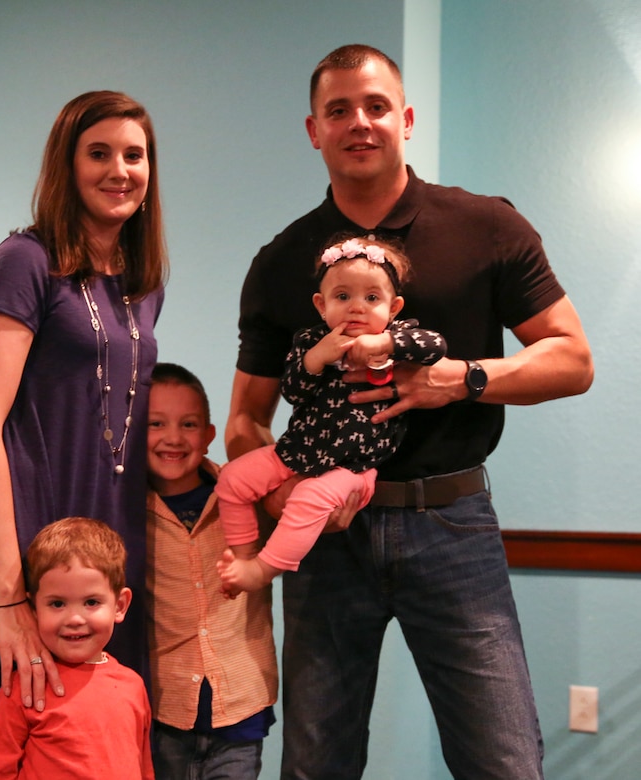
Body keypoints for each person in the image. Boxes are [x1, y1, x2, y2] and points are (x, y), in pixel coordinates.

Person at [226, 44, 593, 780]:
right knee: (314, 765)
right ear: (313, 130)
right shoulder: (280, 259)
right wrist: (279, 493)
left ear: (407, 119)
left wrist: (463, 378)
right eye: (338, 110)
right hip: (325, 542)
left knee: (505, 762)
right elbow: (243, 421)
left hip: (451, 525)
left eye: (375, 106)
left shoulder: (489, 226)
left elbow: (573, 359)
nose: (358, 123)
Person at [0, 90, 168, 780]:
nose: (119, 170)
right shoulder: (25, 260)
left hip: (97, 545)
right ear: (65, 166)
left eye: (134, 155)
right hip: (16, 539)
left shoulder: (141, 283)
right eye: (98, 153)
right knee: (2, 742)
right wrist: (9, 595)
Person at [216, 235, 446, 595]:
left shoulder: (398, 336)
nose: (357, 307)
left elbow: (435, 346)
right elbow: (292, 390)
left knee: (309, 497)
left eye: (372, 298)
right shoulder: (310, 341)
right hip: (298, 451)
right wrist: (316, 359)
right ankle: (245, 554)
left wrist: (387, 344)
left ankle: (263, 571)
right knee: (232, 478)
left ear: (394, 307)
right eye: (343, 297)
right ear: (321, 305)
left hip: (354, 468)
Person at [145, 363, 277, 780]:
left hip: (240, 710)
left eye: (188, 424)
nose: (173, 437)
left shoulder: (245, 497)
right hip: (162, 714)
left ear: (208, 435)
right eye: (155, 423)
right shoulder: (125, 513)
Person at [0, 516, 154, 779]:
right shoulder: (25, 687)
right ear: (33, 609)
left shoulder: (133, 687)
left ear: (119, 605)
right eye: (57, 604)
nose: (74, 619)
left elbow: (143, 768)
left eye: (91, 602)